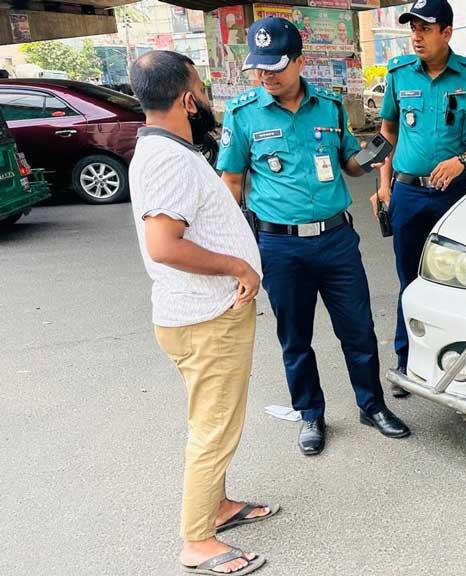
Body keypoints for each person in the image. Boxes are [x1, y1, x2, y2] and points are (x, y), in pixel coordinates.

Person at [218, 17, 410, 456]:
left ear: (301, 62)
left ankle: (372, 404)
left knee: (358, 329)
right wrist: (237, 256)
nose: (267, 76)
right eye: (260, 68)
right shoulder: (243, 113)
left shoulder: (330, 107)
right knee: (296, 337)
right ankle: (310, 414)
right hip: (280, 246)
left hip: (336, 240)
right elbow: (231, 185)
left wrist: (380, 150)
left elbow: (350, 165)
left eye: (276, 67)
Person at [128, 50, 277, 576]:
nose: (209, 100)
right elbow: (165, 245)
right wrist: (240, 265)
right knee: (213, 428)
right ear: (188, 99)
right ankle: (197, 541)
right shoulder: (168, 159)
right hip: (204, 318)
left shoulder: (164, 149)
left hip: (200, 314)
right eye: (203, 90)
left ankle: (215, 506)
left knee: (213, 419)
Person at [372, 0, 466, 397]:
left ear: (446, 32)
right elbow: (388, 132)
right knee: (409, 281)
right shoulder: (398, 75)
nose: (416, 36)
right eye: (413, 28)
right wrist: (383, 182)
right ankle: (406, 359)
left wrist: (463, 161)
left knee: (463, 280)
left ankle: (465, 359)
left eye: (425, 29)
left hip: (455, 195)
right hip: (409, 193)